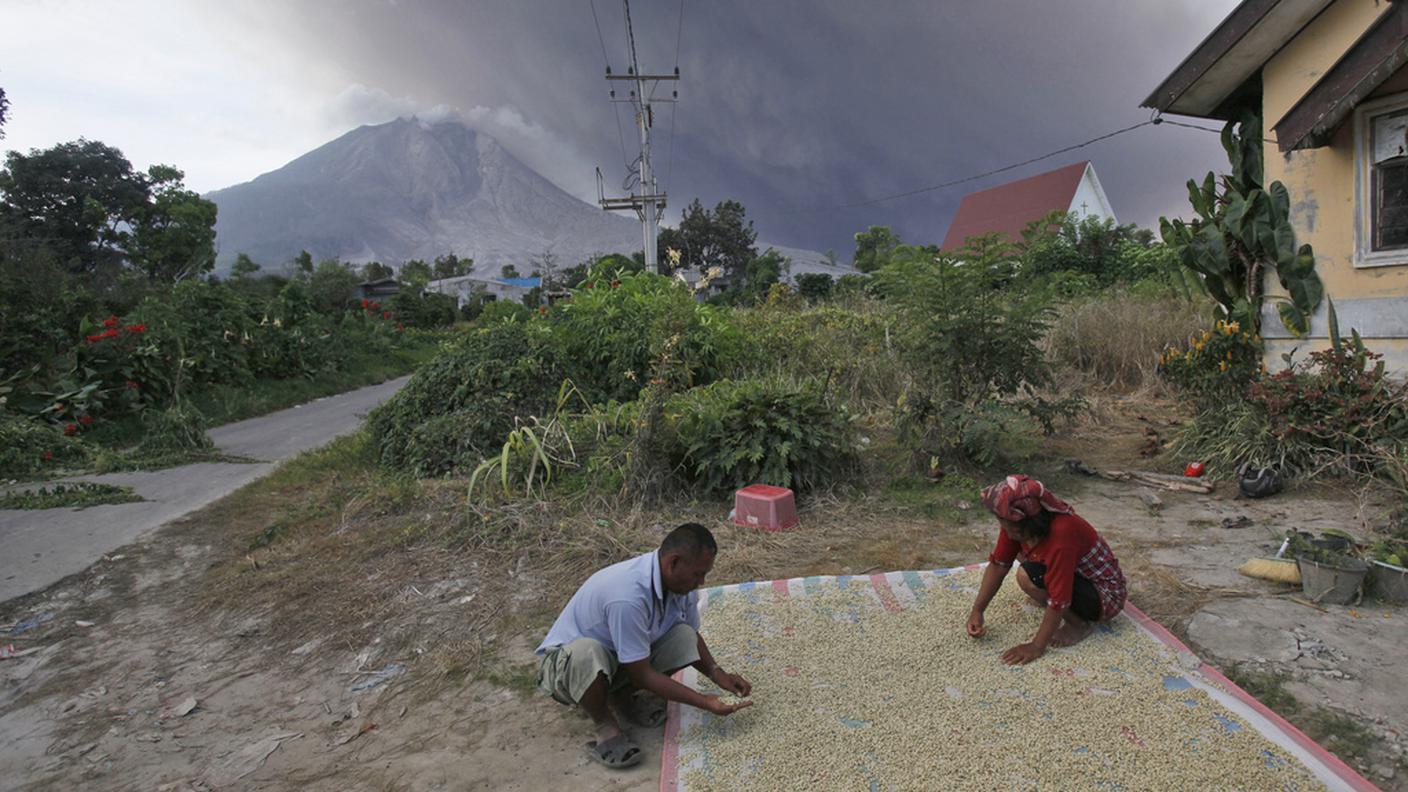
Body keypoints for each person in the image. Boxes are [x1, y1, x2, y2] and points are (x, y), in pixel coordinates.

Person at [536, 522, 753, 769]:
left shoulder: (681, 587)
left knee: (682, 634)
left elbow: (690, 634)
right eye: (697, 574)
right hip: (566, 668)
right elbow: (642, 673)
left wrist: (718, 674)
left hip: (617, 660)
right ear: (673, 562)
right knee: (587, 653)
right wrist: (705, 701)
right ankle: (605, 725)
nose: (701, 582)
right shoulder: (628, 596)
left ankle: (622, 697)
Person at [965, 474, 1127, 665]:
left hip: (1105, 596)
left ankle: (1079, 624)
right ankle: (1059, 606)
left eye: (1012, 530)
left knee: (1028, 576)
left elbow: (1060, 598)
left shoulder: (1062, 533)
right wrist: (978, 610)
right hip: (1078, 578)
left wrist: (1036, 646)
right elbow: (999, 564)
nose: (1008, 534)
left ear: (1029, 524)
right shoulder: (1016, 521)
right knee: (1028, 575)